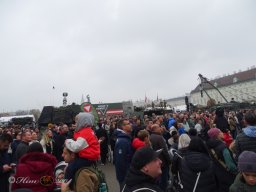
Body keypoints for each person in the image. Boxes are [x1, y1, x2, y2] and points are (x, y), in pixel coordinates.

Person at [207, 128, 237, 192]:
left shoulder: (209, 146)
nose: (222, 133)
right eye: (220, 132)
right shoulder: (223, 147)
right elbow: (231, 166)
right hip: (228, 175)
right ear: (217, 135)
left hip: (218, 175)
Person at [114, 118, 133, 190]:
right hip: (125, 176)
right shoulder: (122, 141)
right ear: (123, 127)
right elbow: (120, 162)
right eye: (128, 124)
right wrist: (126, 176)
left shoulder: (125, 138)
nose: (131, 125)